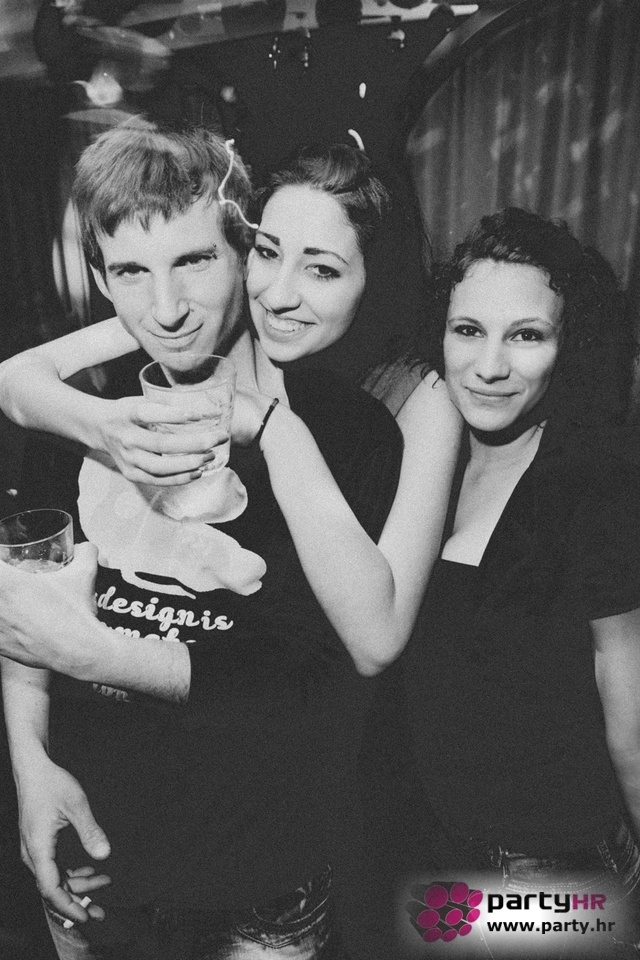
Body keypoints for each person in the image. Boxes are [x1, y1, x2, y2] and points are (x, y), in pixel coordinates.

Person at [0, 125, 459, 959]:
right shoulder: (82, 408)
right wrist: (31, 767)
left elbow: (321, 676)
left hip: (258, 877)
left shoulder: (348, 431)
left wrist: (97, 653)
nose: (167, 308)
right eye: (131, 272)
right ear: (100, 277)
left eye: (194, 261)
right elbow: (31, 590)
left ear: (232, 254)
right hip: (95, 854)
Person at [375, 207, 640, 958]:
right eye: (468, 330)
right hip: (436, 858)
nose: (489, 366)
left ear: (567, 345)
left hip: (553, 868)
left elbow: (631, 719)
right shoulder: (417, 455)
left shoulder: (596, 481)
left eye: (526, 335)